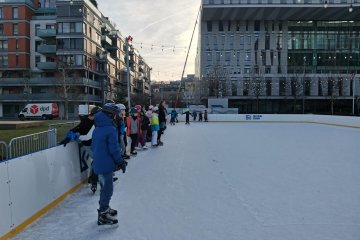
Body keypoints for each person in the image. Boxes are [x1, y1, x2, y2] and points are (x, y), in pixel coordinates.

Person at [92, 104, 127, 225]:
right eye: (115, 115)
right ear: (110, 115)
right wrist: (120, 161)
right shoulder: (110, 129)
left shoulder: (98, 128)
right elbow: (114, 149)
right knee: (107, 190)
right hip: (105, 165)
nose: (116, 117)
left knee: (104, 189)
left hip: (99, 163)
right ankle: (103, 215)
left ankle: (104, 208)